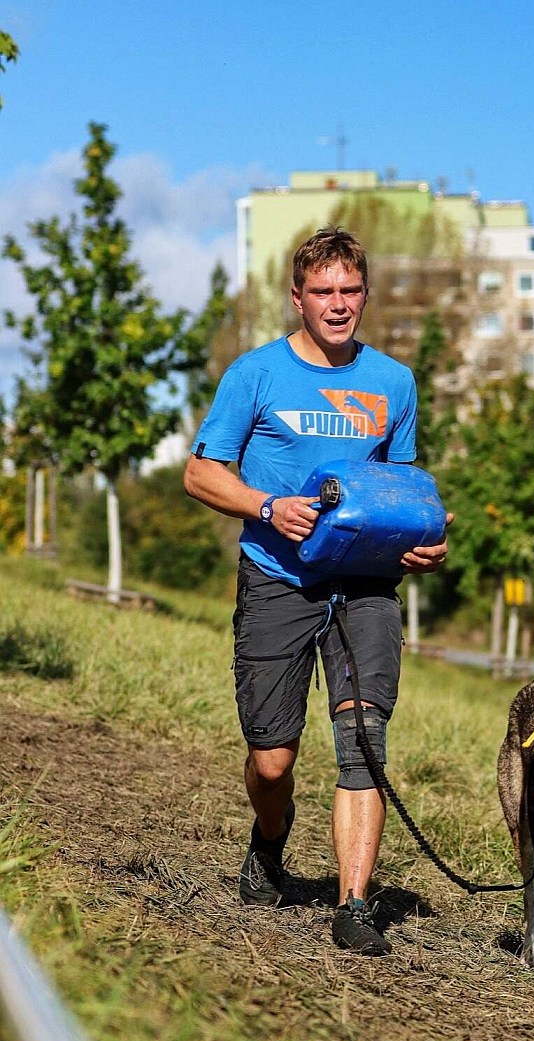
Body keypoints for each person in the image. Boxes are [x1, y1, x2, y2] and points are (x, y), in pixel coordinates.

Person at [183, 227, 450, 957]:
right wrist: (267, 507)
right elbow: (201, 473)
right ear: (297, 297)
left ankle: (355, 904)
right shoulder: (256, 374)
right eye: (323, 291)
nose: (338, 304)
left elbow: (399, 489)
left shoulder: (394, 382)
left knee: (363, 740)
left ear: (365, 294)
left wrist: (421, 539)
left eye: (350, 290)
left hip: (365, 583)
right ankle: (269, 841)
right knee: (273, 757)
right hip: (279, 576)